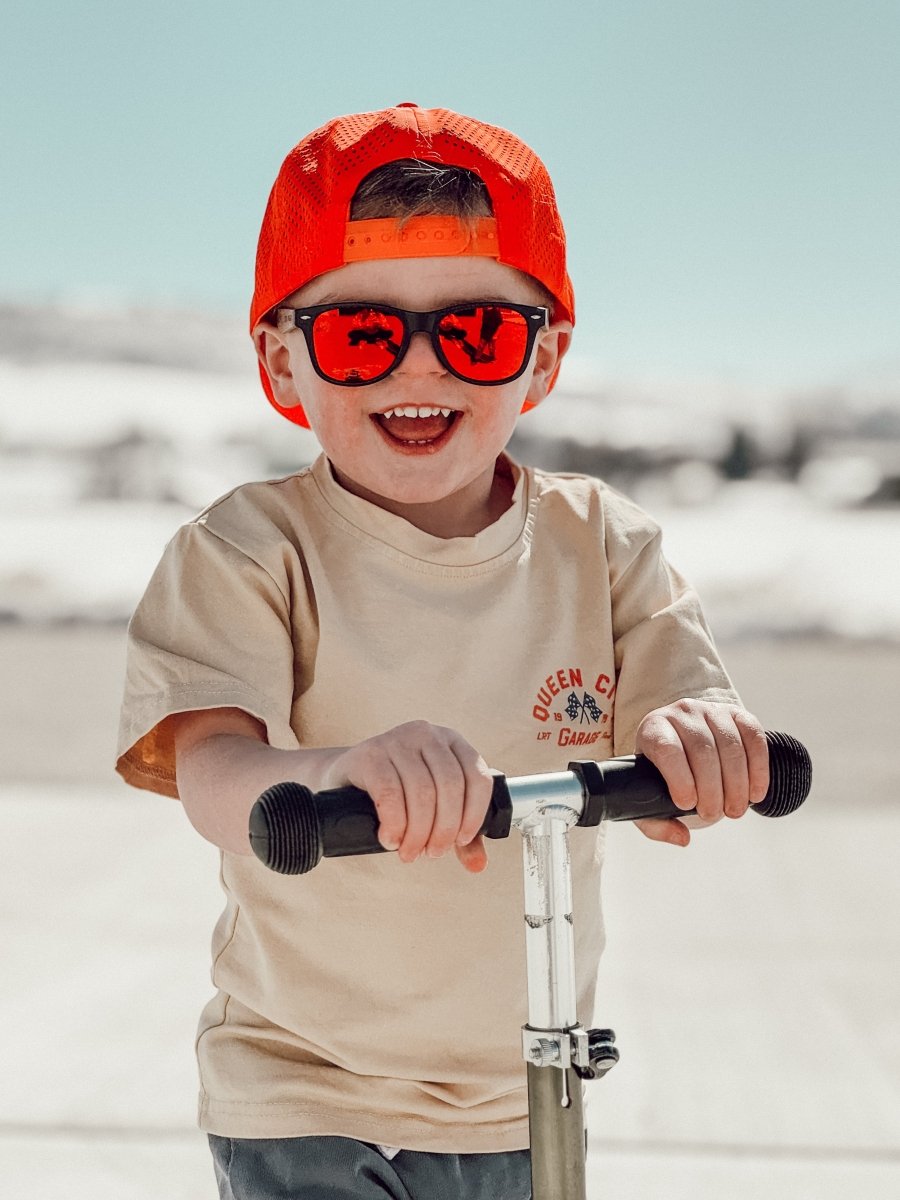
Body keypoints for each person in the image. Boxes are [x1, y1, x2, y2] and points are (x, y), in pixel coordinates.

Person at [116, 103, 769, 1200]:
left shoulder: (603, 545)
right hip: (306, 1087)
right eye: (364, 334)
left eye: (476, 332)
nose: (417, 372)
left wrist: (697, 743)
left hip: (526, 1084)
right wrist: (327, 774)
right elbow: (213, 773)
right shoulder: (248, 551)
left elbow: (679, 708)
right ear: (283, 360)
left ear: (544, 358)